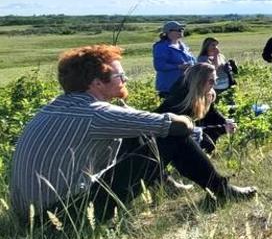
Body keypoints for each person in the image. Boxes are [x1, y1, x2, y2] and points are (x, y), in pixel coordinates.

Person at [9, 45, 256, 220]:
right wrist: (189, 121)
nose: (126, 79)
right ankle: (222, 191)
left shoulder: (59, 105)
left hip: (34, 214)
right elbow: (176, 126)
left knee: (141, 133)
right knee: (171, 136)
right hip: (63, 216)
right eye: (120, 75)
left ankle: (170, 183)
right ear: (96, 83)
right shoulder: (95, 113)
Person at [158, 63, 237, 155]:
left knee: (207, 139)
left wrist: (225, 122)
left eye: (215, 80)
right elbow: (189, 131)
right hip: (163, 137)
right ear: (199, 81)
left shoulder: (205, 93)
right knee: (206, 141)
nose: (214, 84)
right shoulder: (181, 99)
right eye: (211, 81)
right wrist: (222, 129)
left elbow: (211, 114)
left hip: (179, 135)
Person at [152, 20, 196, 96]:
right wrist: (179, 67)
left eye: (182, 29)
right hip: (169, 87)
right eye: (179, 30)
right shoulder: (161, 46)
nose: (181, 31)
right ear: (169, 32)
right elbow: (159, 66)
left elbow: (193, 60)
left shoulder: (182, 45)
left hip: (185, 85)